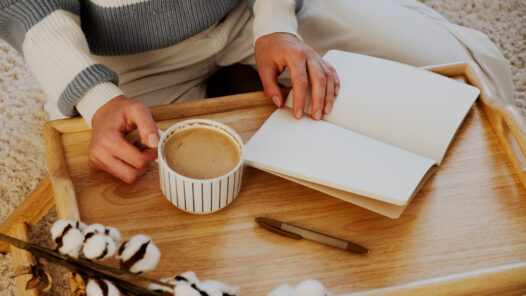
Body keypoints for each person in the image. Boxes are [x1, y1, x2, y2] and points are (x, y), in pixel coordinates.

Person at [0, 0, 514, 184]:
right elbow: (28, 7)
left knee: (449, 63)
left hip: (248, 15)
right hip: (130, 66)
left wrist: (276, 23)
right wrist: (98, 100)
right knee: (152, 197)